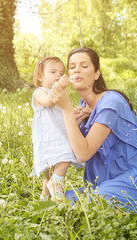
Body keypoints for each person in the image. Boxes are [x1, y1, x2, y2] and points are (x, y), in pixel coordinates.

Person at [49, 48, 137, 214]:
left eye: (84, 66)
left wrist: (66, 109)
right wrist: (73, 121)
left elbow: (83, 154)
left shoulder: (111, 102)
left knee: (84, 207)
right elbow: (74, 151)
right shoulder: (83, 105)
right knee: (60, 201)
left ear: (96, 74)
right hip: (102, 184)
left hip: (134, 182)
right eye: (72, 67)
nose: (77, 70)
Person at [31, 56, 85, 201]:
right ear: (40, 77)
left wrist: (78, 113)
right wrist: (59, 86)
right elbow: (49, 103)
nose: (58, 75)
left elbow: (62, 114)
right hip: (48, 138)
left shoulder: (59, 93)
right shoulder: (40, 92)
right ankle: (57, 182)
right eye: (53, 72)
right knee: (66, 154)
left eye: (61, 73)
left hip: (58, 134)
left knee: (51, 172)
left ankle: (44, 199)